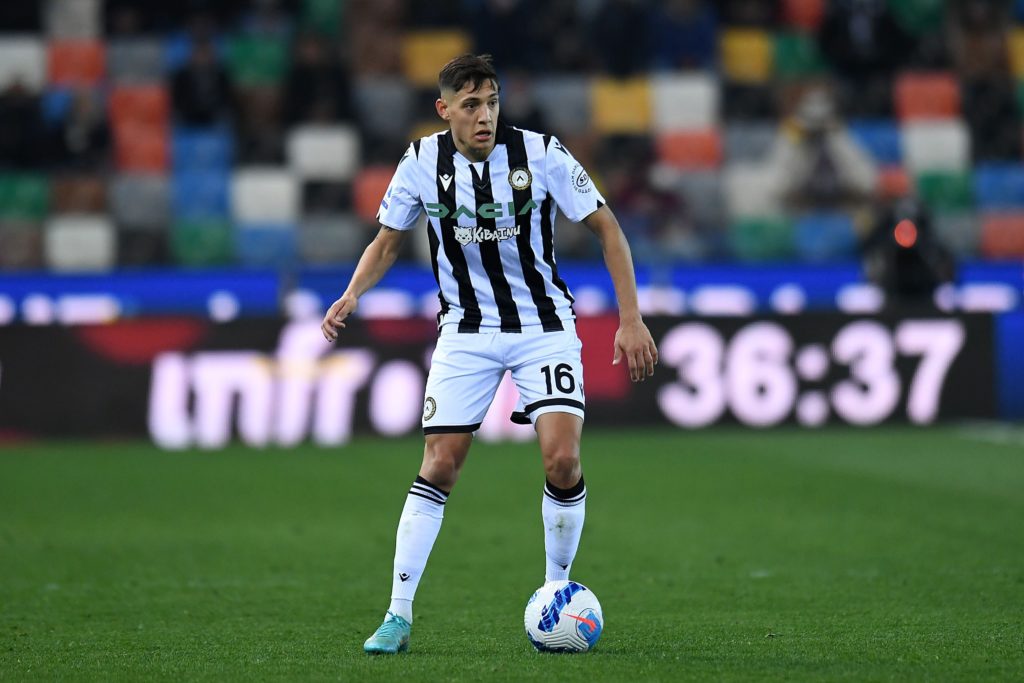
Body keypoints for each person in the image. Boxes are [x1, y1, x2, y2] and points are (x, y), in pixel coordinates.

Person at [319, 54, 658, 655]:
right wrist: (350, 294)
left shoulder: (542, 153)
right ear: (444, 110)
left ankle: (556, 589)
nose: (485, 116)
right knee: (440, 464)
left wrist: (630, 318)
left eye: (493, 101)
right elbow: (388, 242)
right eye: (471, 105)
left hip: (543, 325)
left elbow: (608, 228)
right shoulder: (420, 163)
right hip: (466, 332)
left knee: (561, 461)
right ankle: (397, 615)